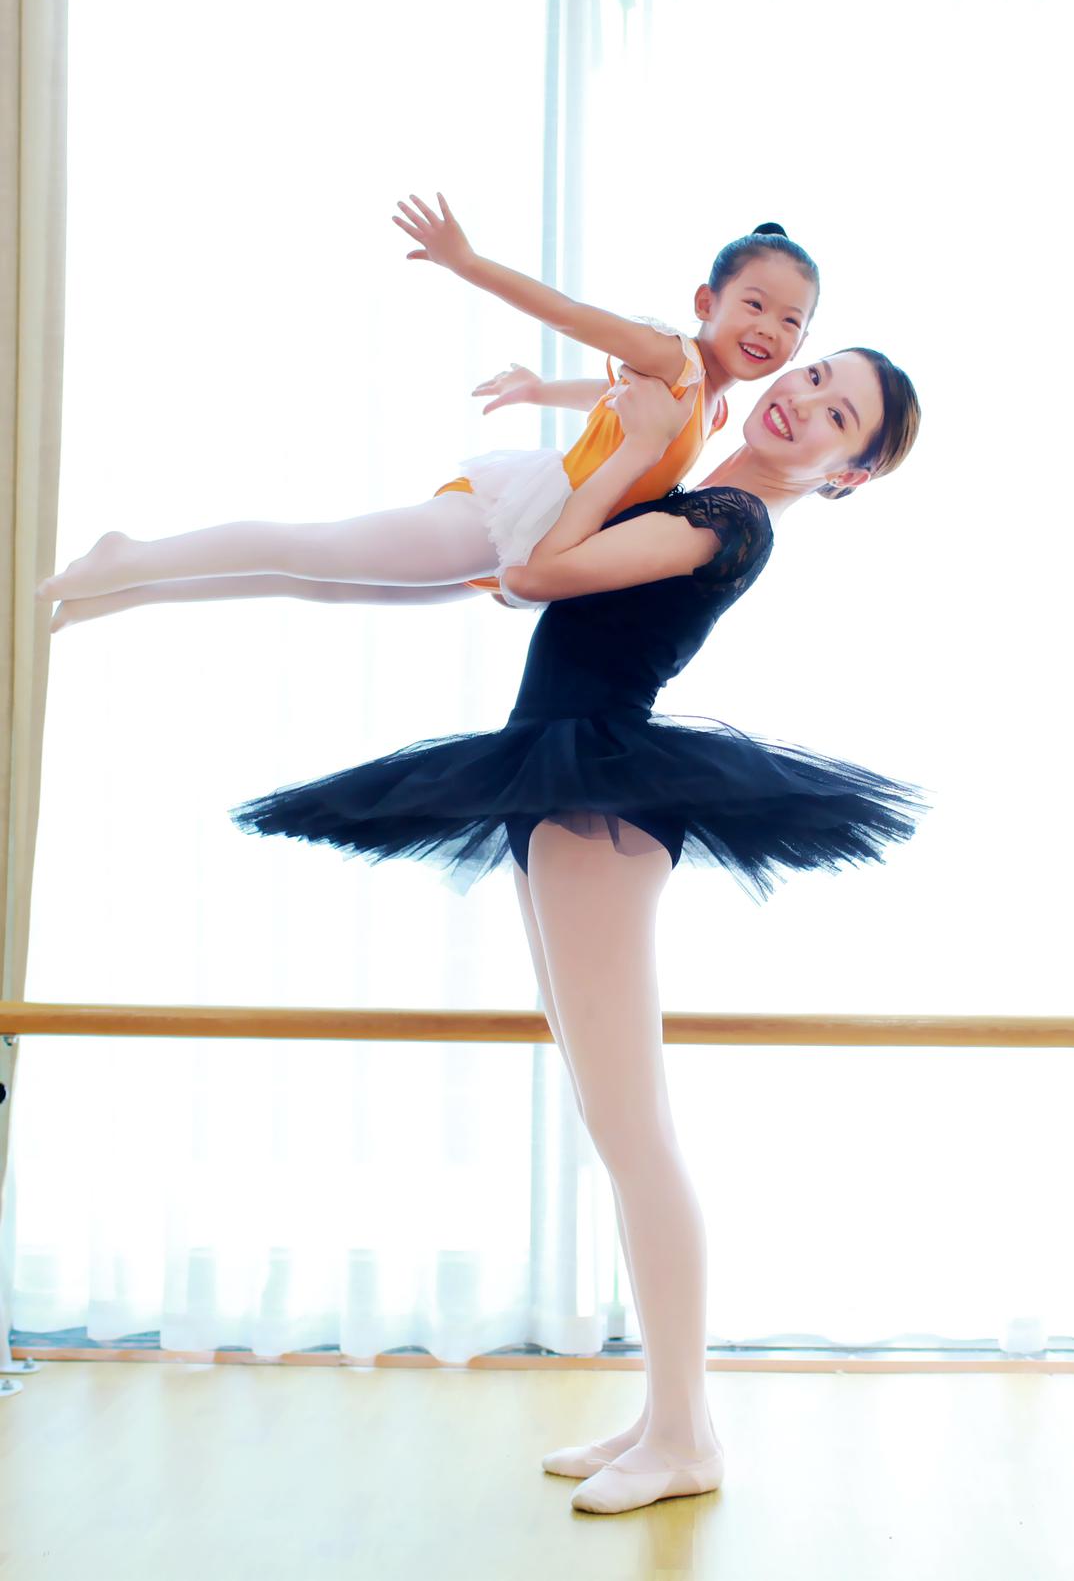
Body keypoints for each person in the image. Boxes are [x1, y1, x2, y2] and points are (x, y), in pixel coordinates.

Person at [229, 349, 925, 1515]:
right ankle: (664, 1419)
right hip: (557, 776)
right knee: (618, 1128)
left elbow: (537, 574)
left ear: (846, 473)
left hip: (598, 790)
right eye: (811, 374)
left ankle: (687, 1436)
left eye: (835, 412)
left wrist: (626, 453)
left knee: (635, 1132)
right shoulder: (706, 486)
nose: (799, 397)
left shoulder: (728, 518)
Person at [34, 193, 819, 621]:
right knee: (313, 552)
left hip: (534, 531)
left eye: (791, 321)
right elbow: (572, 314)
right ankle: (133, 558)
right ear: (707, 302)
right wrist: (467, 263)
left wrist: (541, 390)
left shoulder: (709, 408)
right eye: (754, 304)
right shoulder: (675, 357)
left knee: (322, 585)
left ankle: (134, 587)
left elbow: (610, 400)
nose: (768, 329)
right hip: (516, 517)